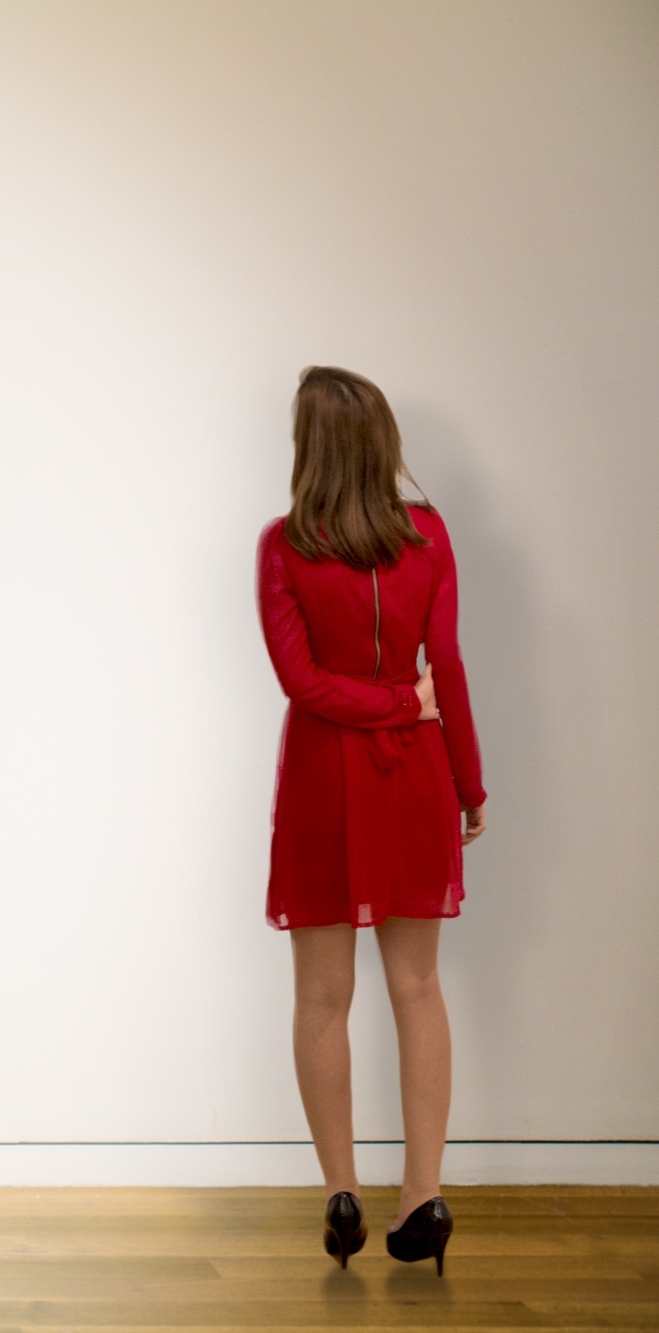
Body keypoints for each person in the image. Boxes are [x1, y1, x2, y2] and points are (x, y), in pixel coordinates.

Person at [256, 366, 487, 1276]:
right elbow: (449, 669)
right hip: (415, 774)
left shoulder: (284, 546)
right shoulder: (427, 535)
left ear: (308, 448)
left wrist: (395, 713)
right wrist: (466, 777)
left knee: (321, 996)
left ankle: (340, 1192)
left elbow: (301, 683)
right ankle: (423, 1195)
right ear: (382, 441)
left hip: (323, 778)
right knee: (418, 987)